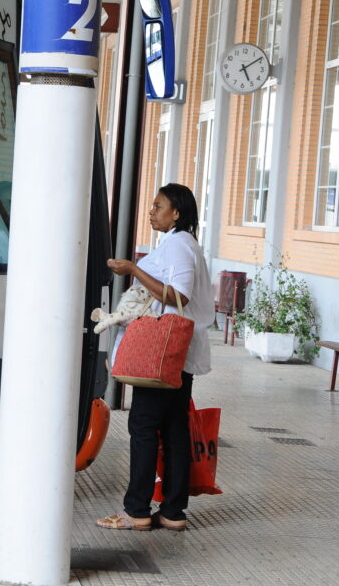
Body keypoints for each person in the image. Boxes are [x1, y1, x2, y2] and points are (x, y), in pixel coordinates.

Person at [93, 183, 215, 531]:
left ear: (176, 212)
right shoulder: (181, 244)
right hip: (178, 353)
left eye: (158, 205)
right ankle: (173, 512)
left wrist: (134, 270)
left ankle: (137, 510)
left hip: (164, 353)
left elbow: (179, 296)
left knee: (144, 426)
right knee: (174, 428)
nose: (151, 211)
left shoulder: (178, 245)